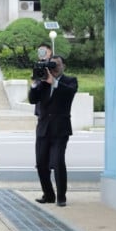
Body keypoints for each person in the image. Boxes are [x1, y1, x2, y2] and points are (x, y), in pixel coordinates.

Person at [28, 55, 77, 207]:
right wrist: (35, 83)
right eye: (52, 65)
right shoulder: (43, 82)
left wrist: (53, 82)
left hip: (60, 130)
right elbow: (32, 99)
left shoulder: (70, 81)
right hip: (43, 129)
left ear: (64, 66)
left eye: (57, 65)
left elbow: (69, 93)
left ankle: (61, 196)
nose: (55, 67)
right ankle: (48, 195)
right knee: (41, 164)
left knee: (57, 162)